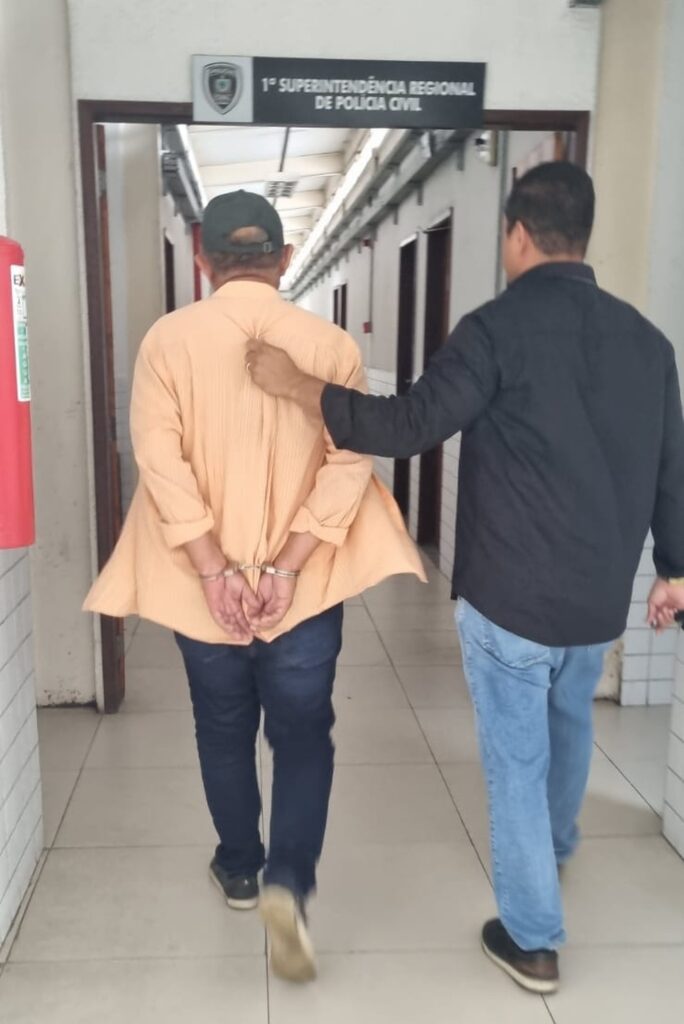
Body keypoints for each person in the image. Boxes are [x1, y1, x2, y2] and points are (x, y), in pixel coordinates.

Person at [245, 161, 684, 994]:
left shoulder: (495, 331)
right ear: (581, 235)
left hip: (512, 596)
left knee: (516, 760)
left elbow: (408, 425)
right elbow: (672, 462)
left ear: (516, 235)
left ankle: (533, 939)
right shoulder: (648, 343)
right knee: (569, 723)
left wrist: (304, 388)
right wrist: (676, 568)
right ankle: (554, 847)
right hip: (599, 597)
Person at [84, 190, 424, 983]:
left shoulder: (167, 342)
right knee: (302, 734)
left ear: (203, 257)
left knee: (222, 725)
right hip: (302, 591)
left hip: (199, 589)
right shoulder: (329, 345)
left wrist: (214, 569)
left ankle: (240, 866)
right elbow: (349, 462)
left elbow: (159, 462)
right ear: (285, 258)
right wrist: (285, 566)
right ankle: (288, 882)